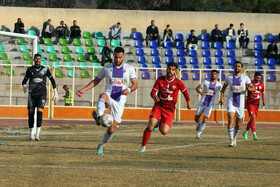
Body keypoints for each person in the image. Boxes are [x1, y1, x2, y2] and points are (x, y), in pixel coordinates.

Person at [76, 47, 138, 155]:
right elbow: (96, 80)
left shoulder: (129, 68)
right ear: (113, 56)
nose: (117, 60)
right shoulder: (107, 68)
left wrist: (128, 89)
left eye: (120, 57)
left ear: (123, 56)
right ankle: (99, 116)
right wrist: (83, 90)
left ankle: (101, 145)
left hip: (120, 101)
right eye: (116, 57)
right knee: (103, 95)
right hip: (109, 96)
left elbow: (135, 85)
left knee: (111, 130)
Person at [138, 62, 193, 153]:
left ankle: (159, 122)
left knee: (164, 132)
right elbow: (153, 92)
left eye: (173, 70)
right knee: (150, 126)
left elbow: (185, 92)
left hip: (169, 108)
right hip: (159, 105)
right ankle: (143, 146)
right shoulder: (160, 80)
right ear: (166, 69)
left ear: (175, 71)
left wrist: (188, 102)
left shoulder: (178, 83)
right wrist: (154, 96)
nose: (170, 71)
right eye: (169, 69)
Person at [22, 54, 58, 141]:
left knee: (39, 112)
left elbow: (52, 80)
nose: (38, 60)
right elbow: (24, 80)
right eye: (36, 59)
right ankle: (31, 134)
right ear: (34, 59)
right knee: (30, 114)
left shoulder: (45, 69)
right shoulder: (29, 70)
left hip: (41, 94)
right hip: (31, 94)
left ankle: (37, 134)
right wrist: (24, 86)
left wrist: (55, 91)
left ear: (41, 60)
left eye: (39, 59)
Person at [219, 61, 255, 147]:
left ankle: (235, 137)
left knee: (239, 122)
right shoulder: (229, 77)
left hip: (241, 104)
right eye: (236, 66)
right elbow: (223, 88)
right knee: (231, 119)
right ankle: (231, 140)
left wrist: (251, 89)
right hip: (231, 102)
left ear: (241, 68)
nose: (237, 68)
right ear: (234, 67)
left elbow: (253, 87)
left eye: (239, 66)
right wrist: (222, 97)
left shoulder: (245, 78)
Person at [195, 70, 222, 139]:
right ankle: (200, 123)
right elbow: (197, 88)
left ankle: (198, 134)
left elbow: (222, 92)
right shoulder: (206, 82)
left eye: (215, 74)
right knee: (196, 118)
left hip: (210, 104)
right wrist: (201, 93)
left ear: (217, 75)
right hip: (202, 102)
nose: (213, 75)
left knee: (205, 119)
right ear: (211, 75)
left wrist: (222, 98)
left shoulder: (219, 85)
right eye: (212, 74)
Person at [243, 72, 265, 140]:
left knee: (253, 119)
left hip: (256, 104)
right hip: (250, 103)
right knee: (253, 117)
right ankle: (254, 134)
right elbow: (245, 92)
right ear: (254, 76)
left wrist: (264, 101)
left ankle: (245, 132)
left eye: (260, 78)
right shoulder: (249, 83)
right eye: (257, 78)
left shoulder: (261, 84)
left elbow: (263, 93)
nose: (258, 79)